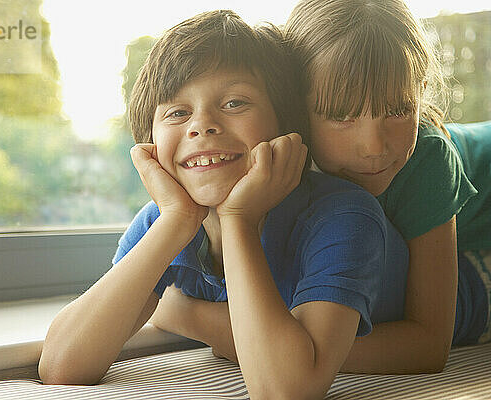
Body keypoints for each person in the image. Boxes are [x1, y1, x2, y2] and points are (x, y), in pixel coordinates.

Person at [38, 10, 410, 398]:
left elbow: (286, 391)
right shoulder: (167, 220)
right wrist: (177, 220)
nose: (201, 125)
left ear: (285, 124)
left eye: (234, 103)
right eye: (177, 113)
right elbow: (62, 366)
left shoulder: (344, 214)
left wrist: (237, 220)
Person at [281, 0, 491, 374]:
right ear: (295, 107)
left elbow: (429, 345)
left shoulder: (427, 159)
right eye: (342, 116)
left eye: (397, 110)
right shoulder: (283, 152)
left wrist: (246, 343)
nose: (375, 147)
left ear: (420, 90)